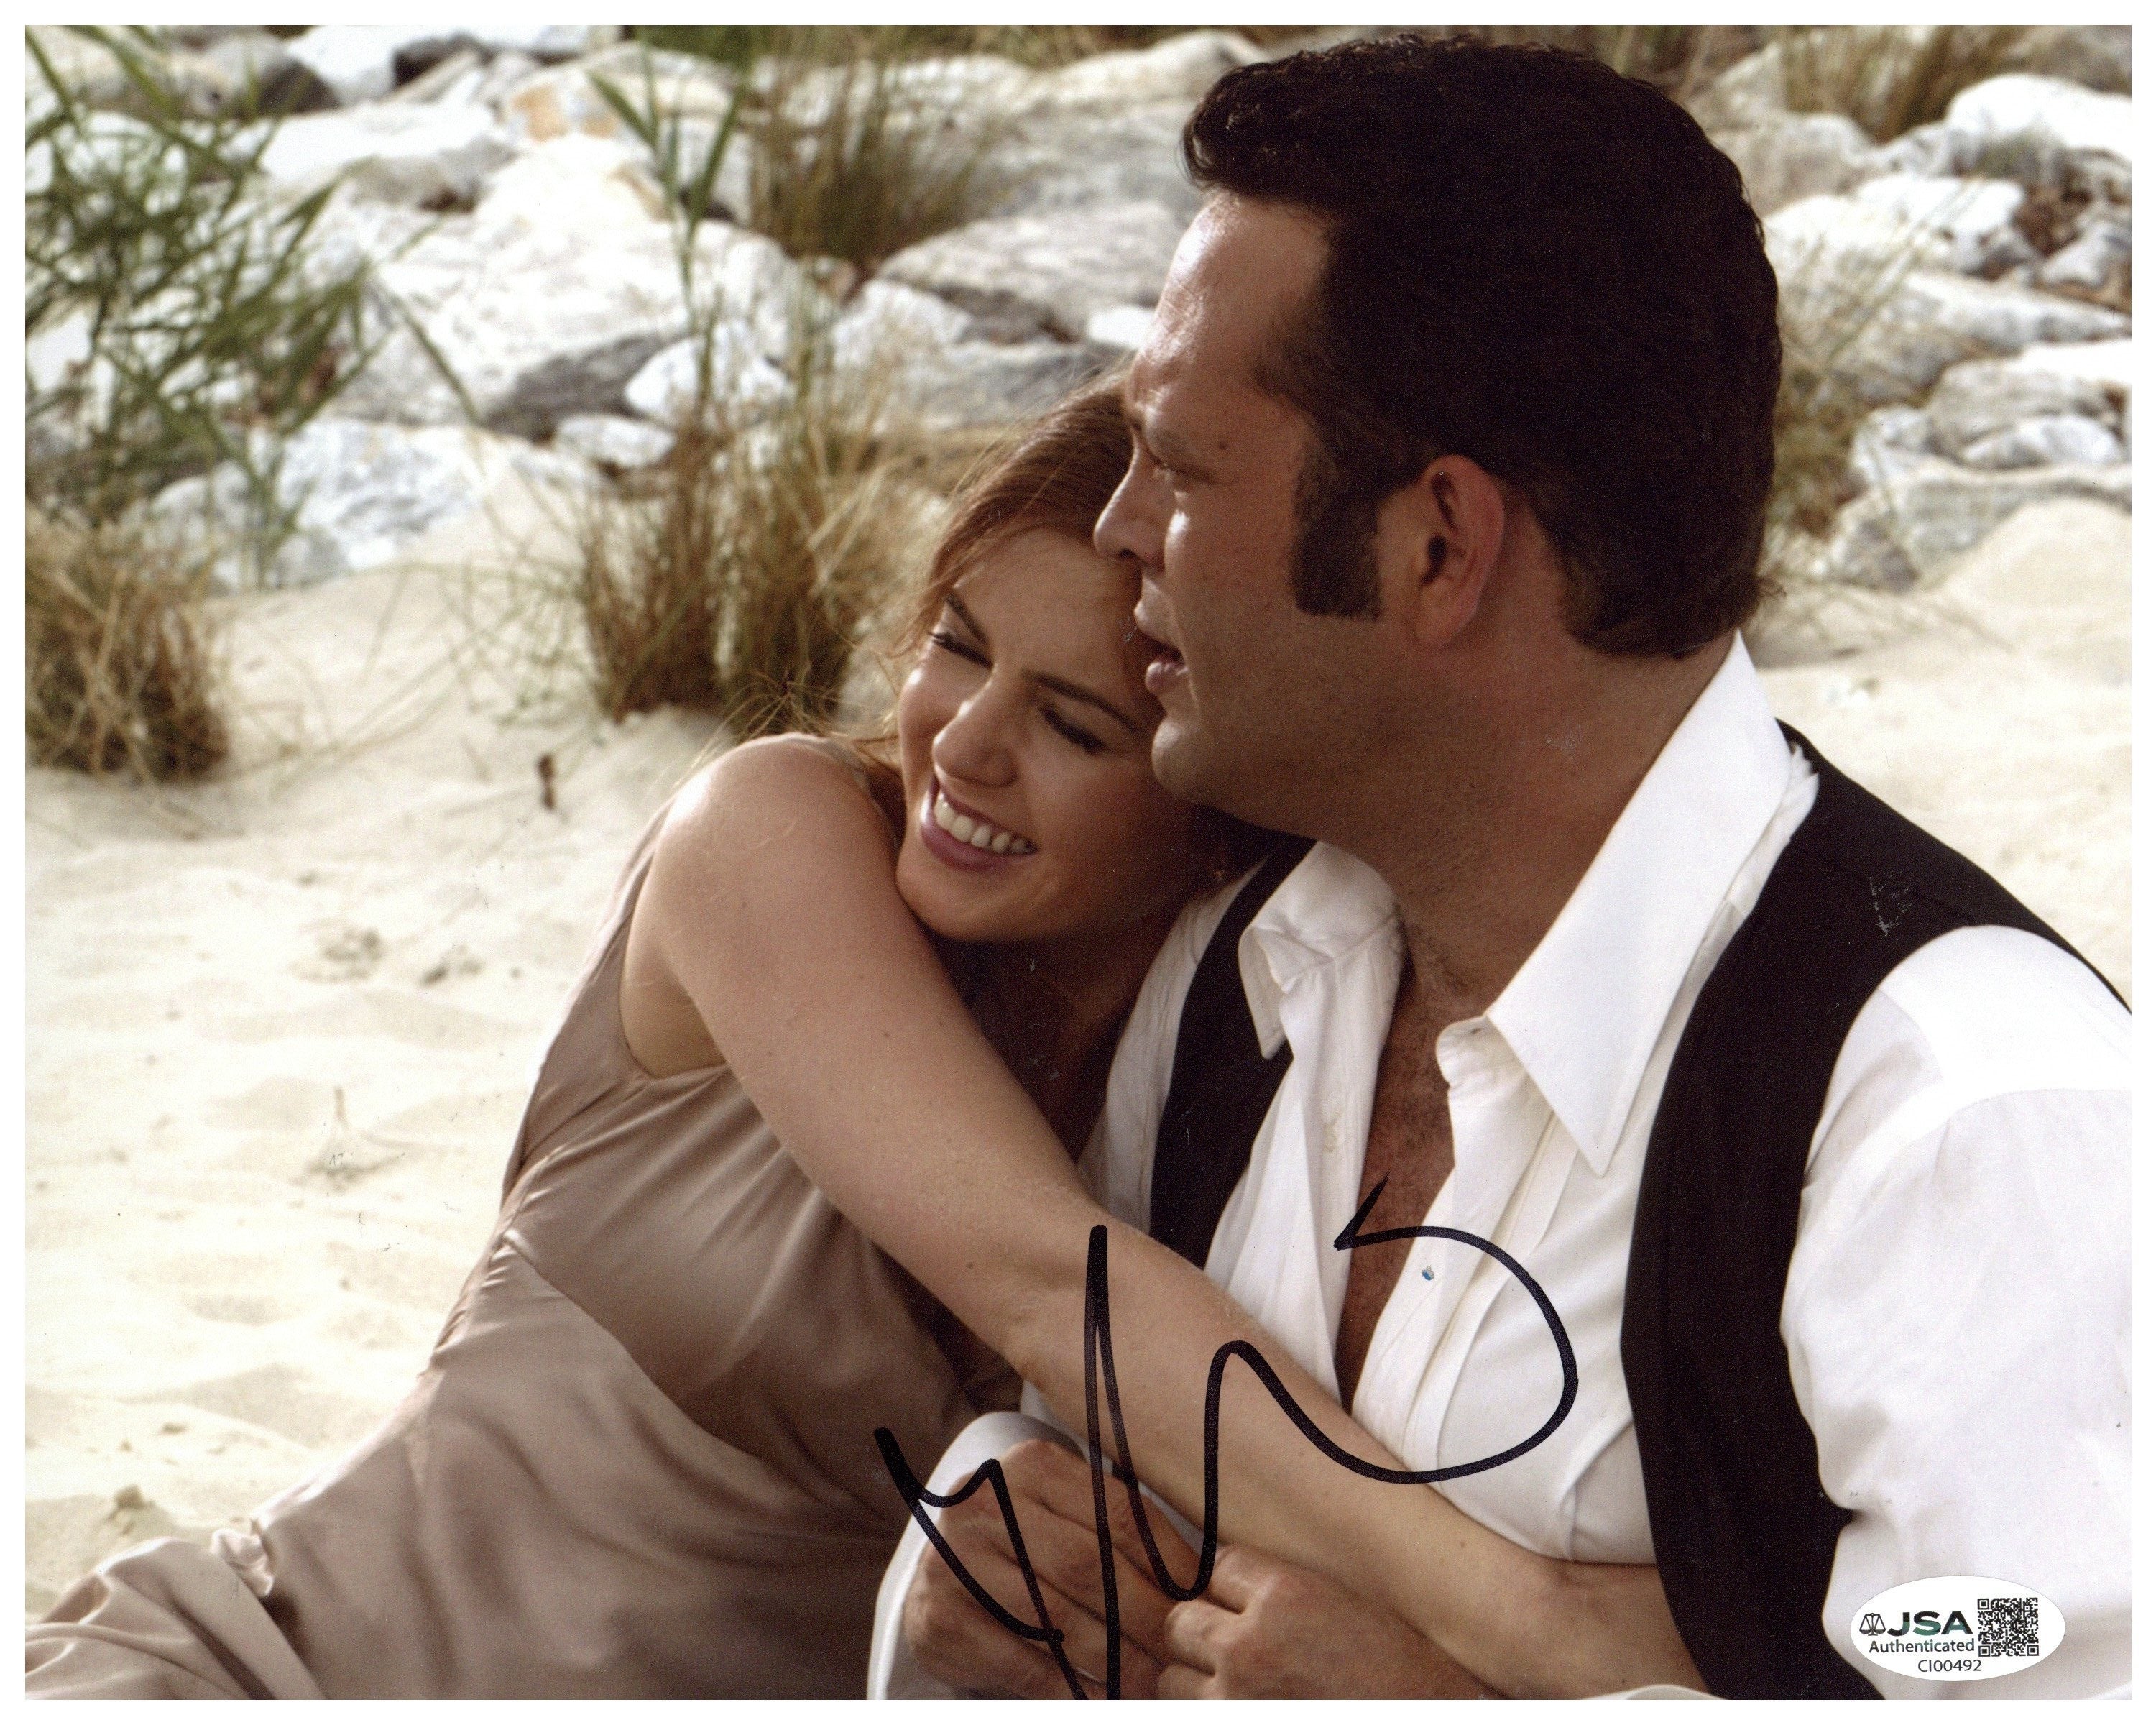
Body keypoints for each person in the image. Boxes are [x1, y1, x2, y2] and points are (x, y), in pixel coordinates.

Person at [24, 382, 1699, 1700]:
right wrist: (1541, 1627)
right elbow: (1043, 1282)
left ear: (1212, 795)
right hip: (274, 1674)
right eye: (956, 644)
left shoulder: (1248, 1082)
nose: (962, 744)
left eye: (1074, 723)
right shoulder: (772, 836)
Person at [895, 35, 2129, 1701]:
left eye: (1180, 466)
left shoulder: (1964, 1118)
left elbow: (2029, 1652)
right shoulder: (1239, 978)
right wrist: (989, 1561)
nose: (1119, 531)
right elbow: (1085, 1484)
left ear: (1439, 546)